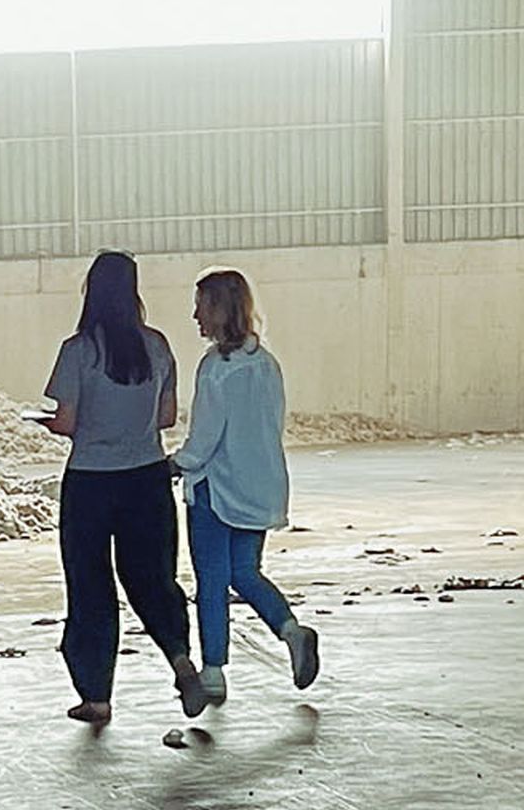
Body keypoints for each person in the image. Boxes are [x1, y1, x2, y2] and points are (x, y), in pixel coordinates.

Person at [42, 250, 206, 727]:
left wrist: (52, 423)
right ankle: (181, 661)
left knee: (90, 585)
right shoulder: (157, 347)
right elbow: (167, 417)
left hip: (91, 483)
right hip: (147, 479)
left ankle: (97, 697)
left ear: (91, 291)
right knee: (152, 578)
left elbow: (67, 421)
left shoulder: (78, 351)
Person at [176, 268, 320, 704]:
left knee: (212, 582)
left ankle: (214, 671)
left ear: (219, 308)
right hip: (259, 486)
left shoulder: (216, 368)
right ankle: (290, 630)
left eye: (200, 305)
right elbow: (269, 425)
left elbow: (205, 437)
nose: (194, 315)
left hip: (216, 491)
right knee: (245, 572)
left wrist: (175, 464)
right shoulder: (266, 364)